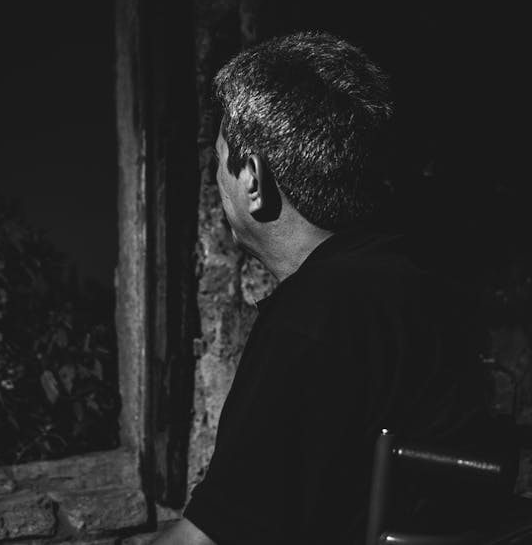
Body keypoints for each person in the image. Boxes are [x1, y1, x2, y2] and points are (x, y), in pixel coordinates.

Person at [155, 32, 489, 545]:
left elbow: (210, 540)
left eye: (219, 160)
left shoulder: (313, 321)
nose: (216, 177)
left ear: (253, 179)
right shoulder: (416, 282)